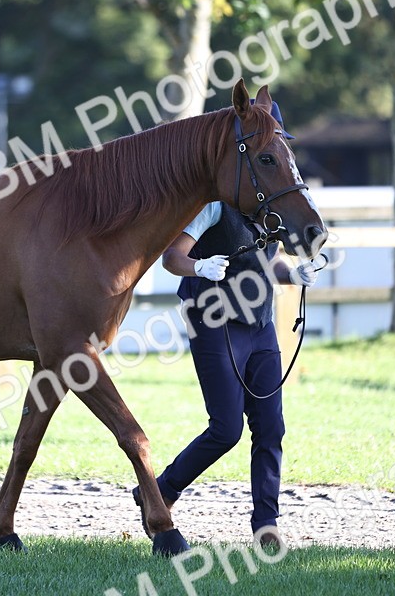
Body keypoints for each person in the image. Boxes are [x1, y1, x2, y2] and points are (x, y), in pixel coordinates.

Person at [134, 100, 318, 553]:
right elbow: (173, 256)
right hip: (214, 324)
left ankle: (266, 523)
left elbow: (265, 265)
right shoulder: (215, 205)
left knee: (271, 428)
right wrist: (201, 267)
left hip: (259, 328)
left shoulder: (265, 207)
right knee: (225, 430)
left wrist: (291, 274)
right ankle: (160, 491)